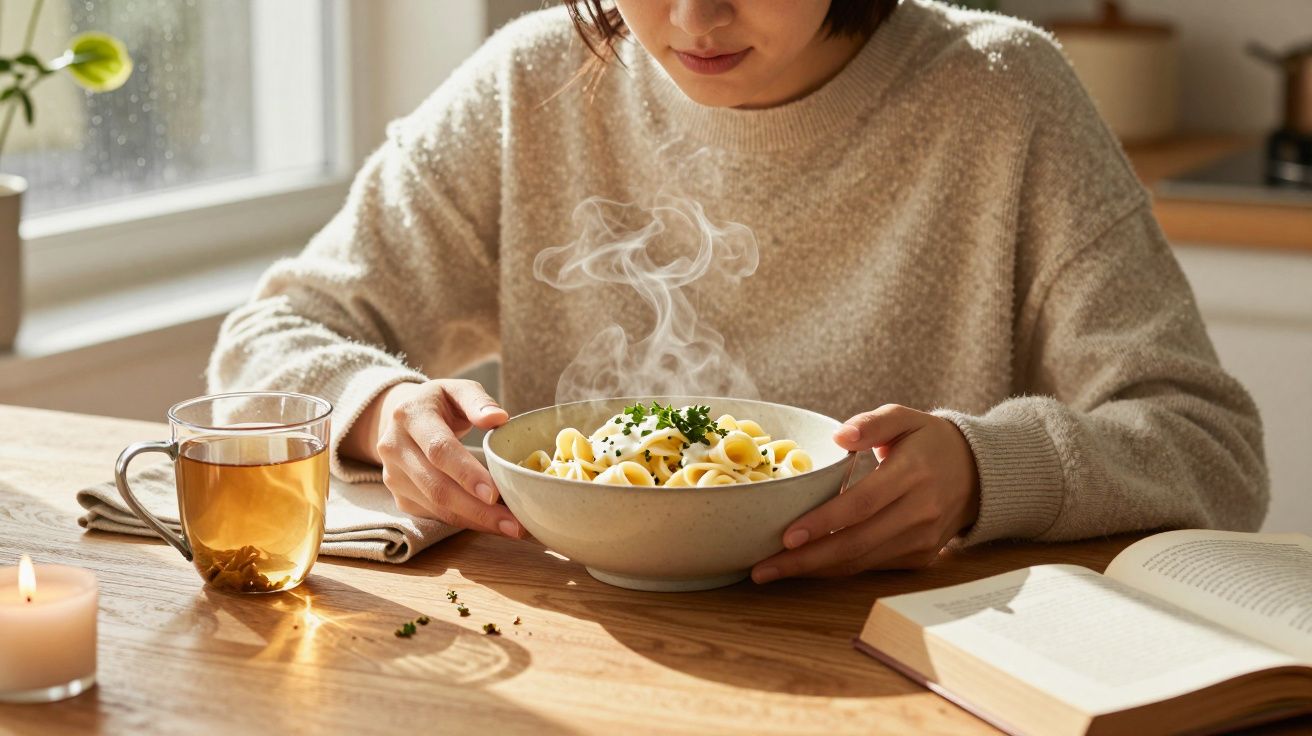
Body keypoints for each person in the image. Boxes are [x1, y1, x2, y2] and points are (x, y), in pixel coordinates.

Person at [208, 0, 1268, 583]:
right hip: (583, 661)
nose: (691, 15)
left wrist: (986, 473)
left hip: (906, 672)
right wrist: (384, 410)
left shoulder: (1004, 96)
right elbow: (273, 337)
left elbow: (1206, 447)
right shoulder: (529, 86)